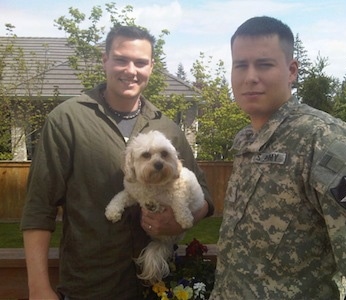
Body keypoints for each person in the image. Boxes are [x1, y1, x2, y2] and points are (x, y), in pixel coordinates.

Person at [210, 16, 346, 299]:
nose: (250, 76)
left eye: (264, 64)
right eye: (240, 65)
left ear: (291, 70)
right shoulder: (246, 140)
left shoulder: (322, 139)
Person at [21, 25, 213, 300]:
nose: (131, 70)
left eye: (140, 62)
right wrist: (38, 288)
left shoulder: (167, 129)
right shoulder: (66, 120)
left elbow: (205, 196)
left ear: (151, 67)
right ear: (105, 59)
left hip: (159, 286)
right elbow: (39, 207)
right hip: (90, 286)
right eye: (121, 59)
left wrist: (180, 222)